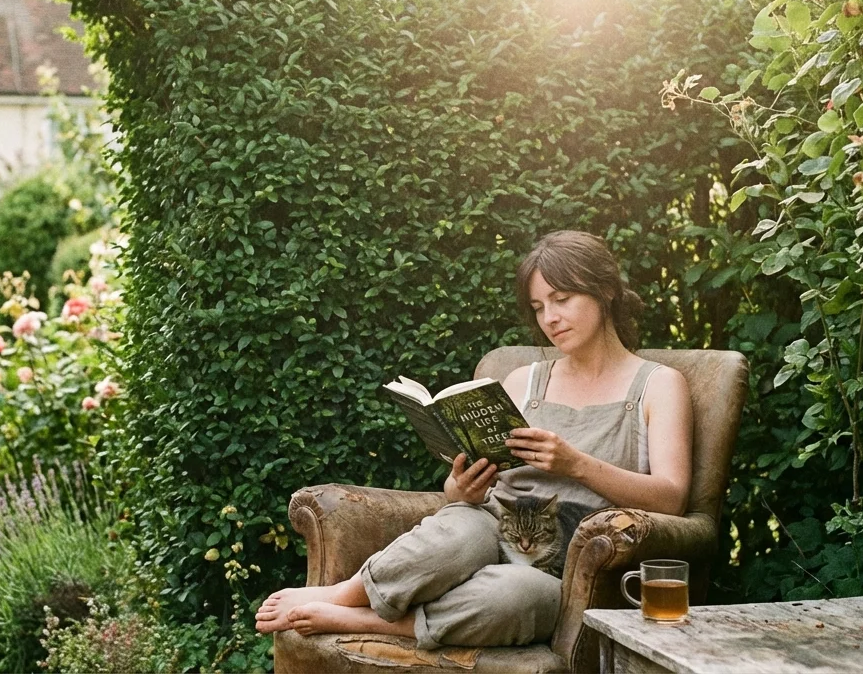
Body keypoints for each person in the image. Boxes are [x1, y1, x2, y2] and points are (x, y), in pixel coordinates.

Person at [254, 230, 693, 648]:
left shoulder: (657, 385)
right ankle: (344, 595)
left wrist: (576, 464)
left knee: (514, 595)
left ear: (606, 292)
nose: (551, 319)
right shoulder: (523, 380)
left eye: (562, 299)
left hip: (566, 561)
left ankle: (372, 619)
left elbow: (672, 498)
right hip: (489, 523)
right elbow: (460, 496)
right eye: (539, 307)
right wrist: (460, 488)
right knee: (456, 534)